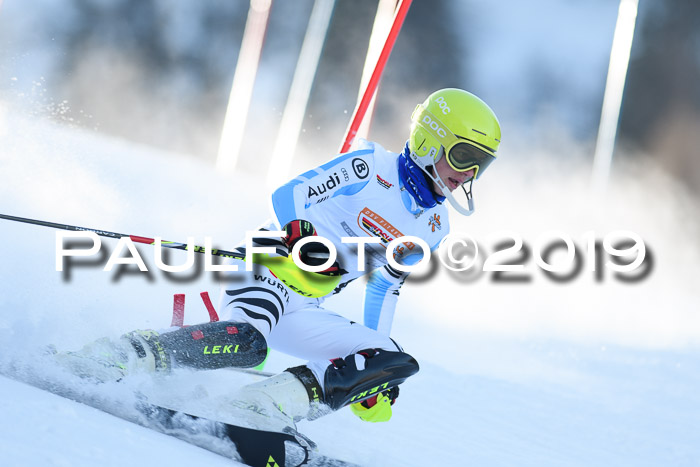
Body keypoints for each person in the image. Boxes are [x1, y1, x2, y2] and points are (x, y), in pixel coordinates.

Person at [57, 88, 502, 431]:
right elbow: (290, 195)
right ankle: (121, 354)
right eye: (464, 156)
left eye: (480, 164)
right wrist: (300, 233)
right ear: (431, 139)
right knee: (249, 343)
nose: (468, 173)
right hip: (266, 271)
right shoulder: (369, 166)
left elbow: (385, 285)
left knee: (394, 361)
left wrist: (367, 371)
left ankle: (260, 406)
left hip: (306, 307)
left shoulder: (433, 228)